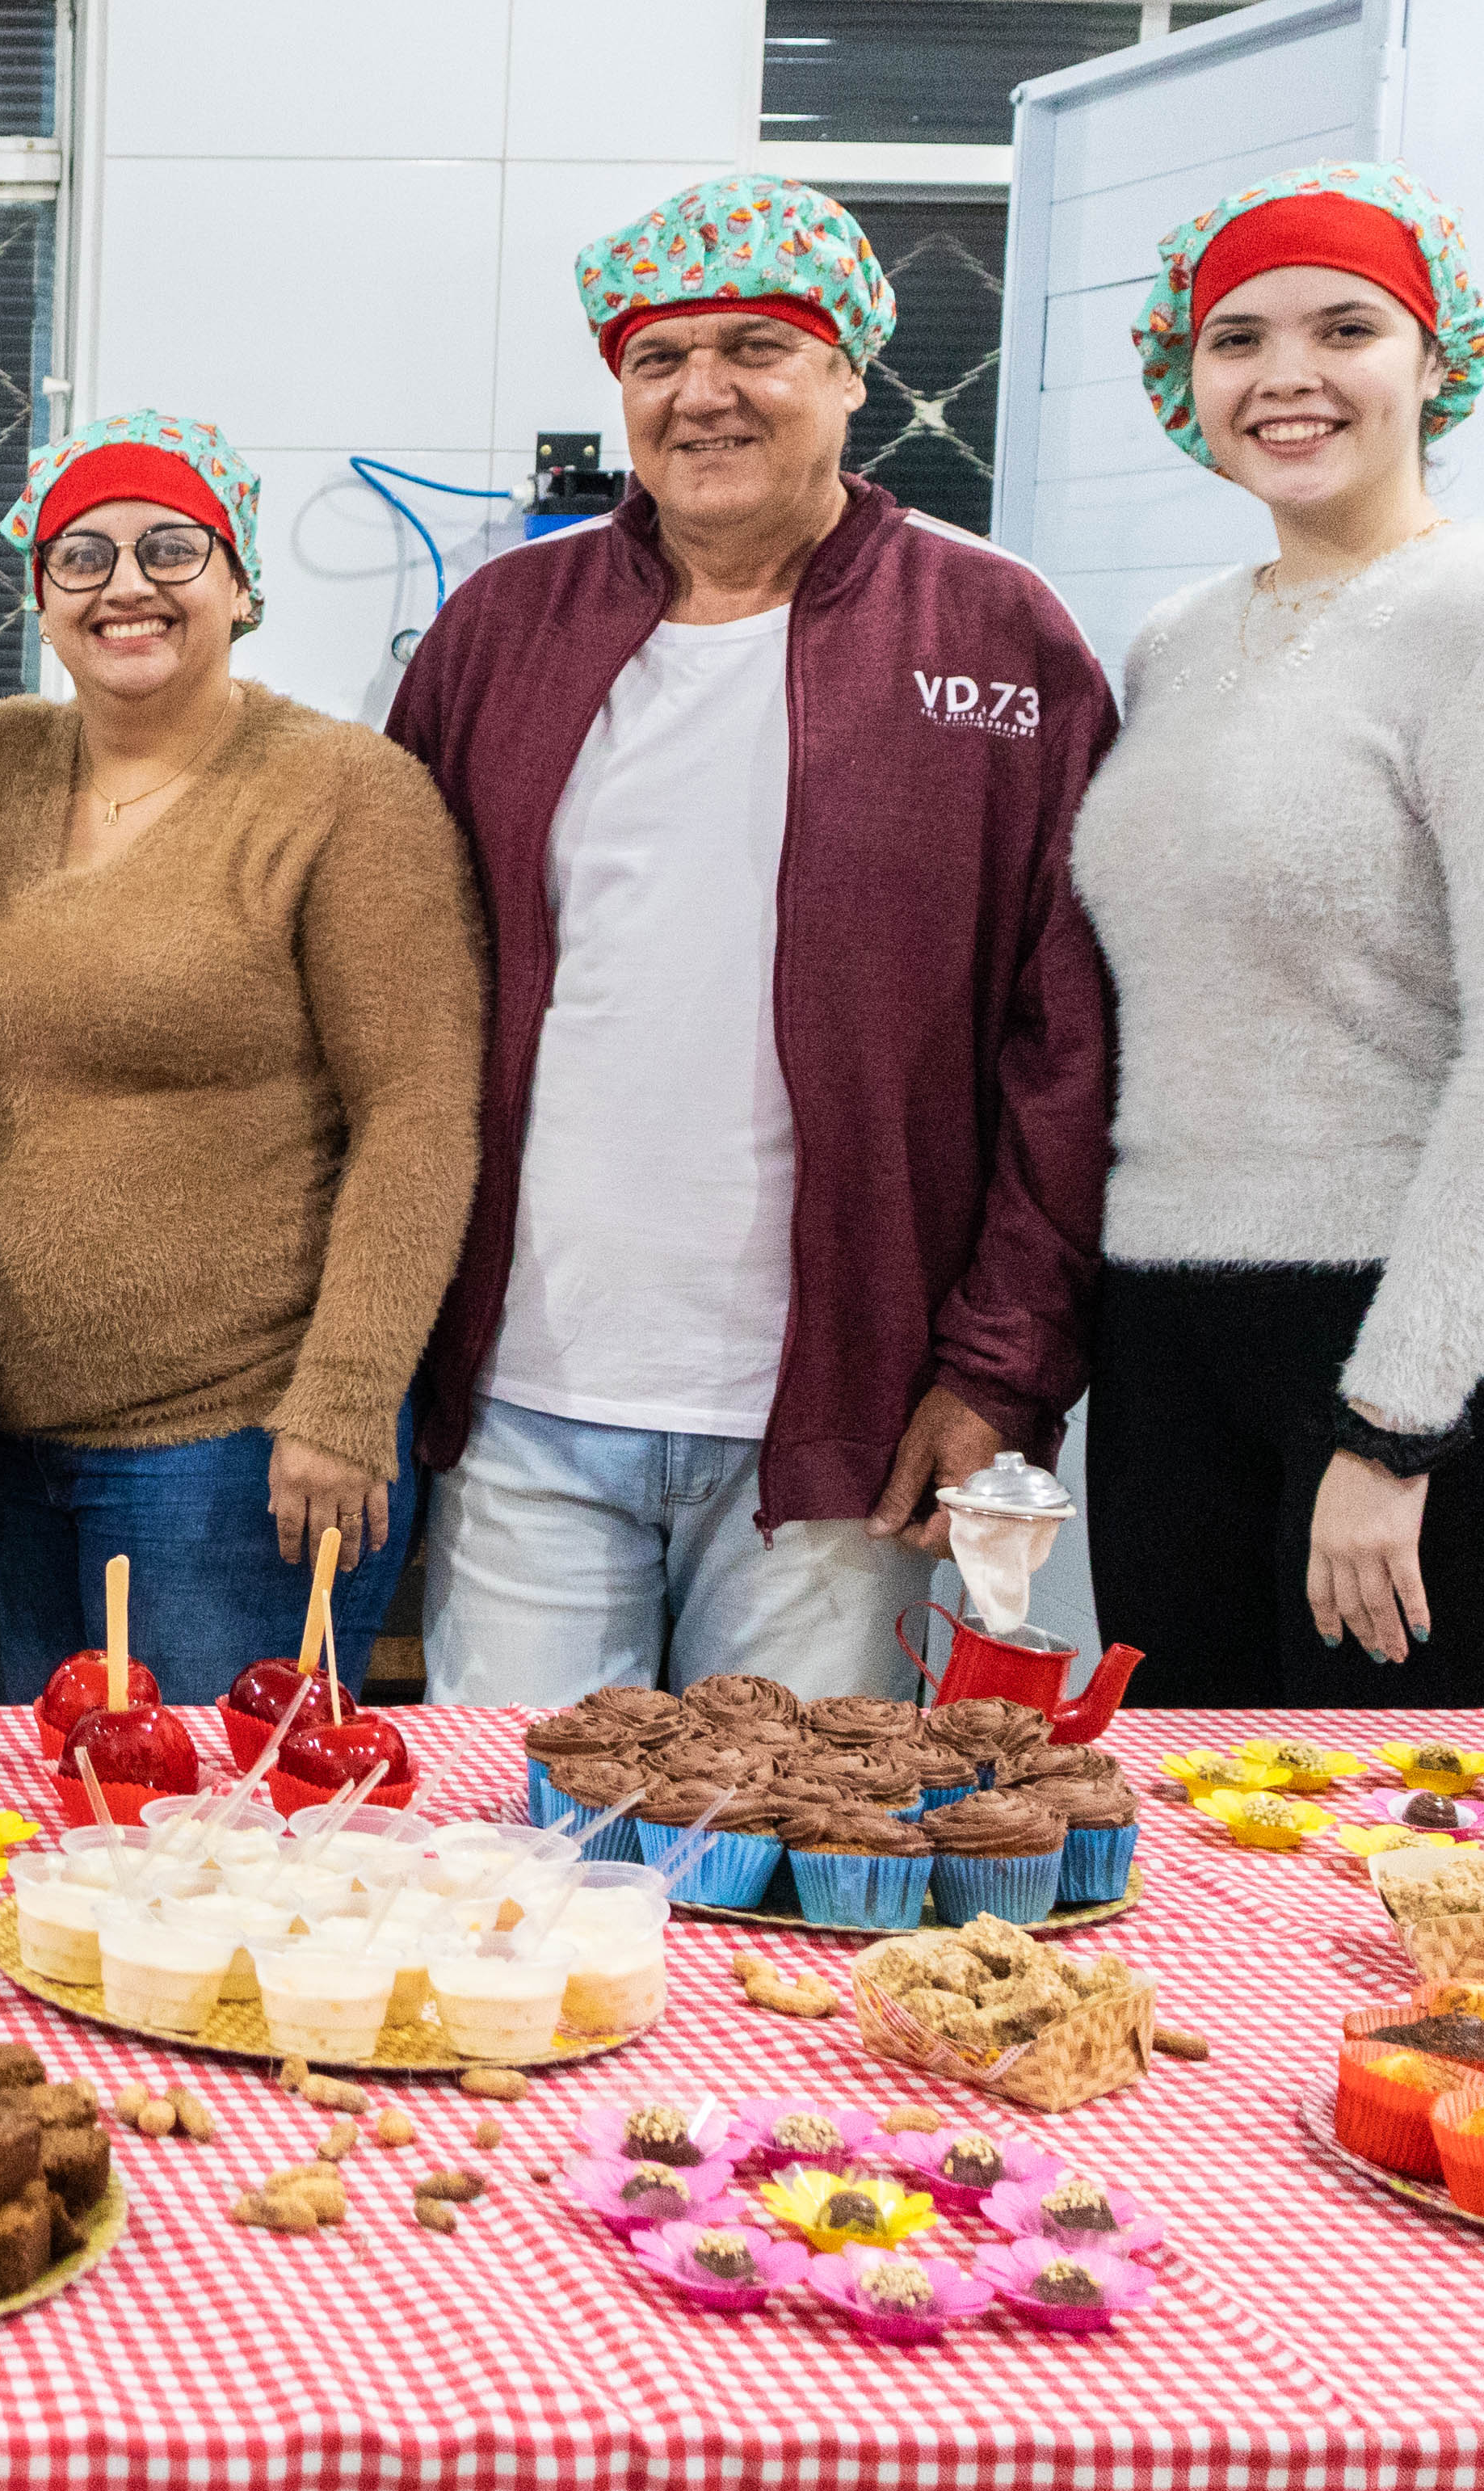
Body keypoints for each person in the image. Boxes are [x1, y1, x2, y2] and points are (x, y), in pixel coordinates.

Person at [388, 176, 1114, 1704]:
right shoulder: (501, 632)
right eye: (658, 359)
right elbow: (396, 1000)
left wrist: (1000, 1370)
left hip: (848, 1424)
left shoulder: (997, 638)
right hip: (528, 1403)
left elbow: (1074, 1050)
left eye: (756, 347)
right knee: (523, 1885)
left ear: (849, 370)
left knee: (793, 1876)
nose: (702, 392)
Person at [1074, 165, 1484, 1705]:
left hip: (1421, 1338)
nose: (1286, 377)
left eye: (1345, 327)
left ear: (1432, 359)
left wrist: (1399, 1422)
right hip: (1171, 1338)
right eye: (1237, 338)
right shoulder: (1180, 638)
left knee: (1386, 1876)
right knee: (1187, 1848)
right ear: (1183, 376)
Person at [0, 413, 485, 1706]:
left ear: (241, 581)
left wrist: (344, 1400)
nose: (127, 586)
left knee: (222, 1843)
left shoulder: (345, 794)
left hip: (238, 1448)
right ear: (42, 601)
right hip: (3, 1441)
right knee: (59, 1831)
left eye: (170, 548)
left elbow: (419, 1115)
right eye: (81, 559)